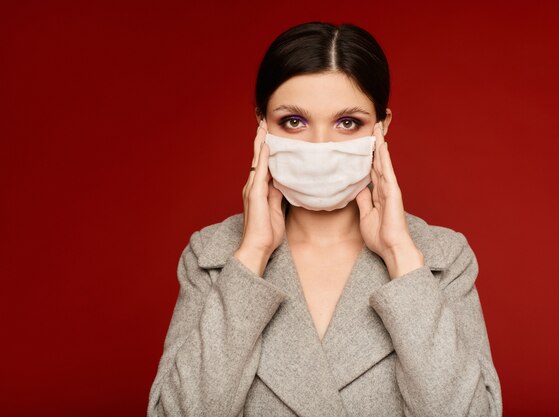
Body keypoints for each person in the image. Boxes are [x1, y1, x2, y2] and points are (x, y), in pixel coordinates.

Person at [147, 21, 503, 417]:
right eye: (293, 122)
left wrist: (402, 257)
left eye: (347, 122)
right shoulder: (212, 256)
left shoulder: (443, 258)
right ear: (262, 126)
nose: (320, 146)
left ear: (381, 129)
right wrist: (251, 255)